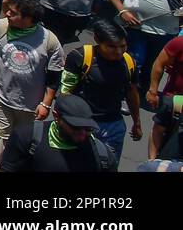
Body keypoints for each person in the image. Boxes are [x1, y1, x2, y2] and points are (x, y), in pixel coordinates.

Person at [0, 0, 63, 171]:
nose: (7, 14)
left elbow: (54, 76)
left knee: (22, 142)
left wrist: (45, 104)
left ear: (29, 19)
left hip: (30, 106)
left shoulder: (49, 41)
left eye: (13, 13)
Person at [59, 19, 142, 168]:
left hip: (113, 126)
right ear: (97, 40)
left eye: (123, 46)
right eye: (111, 46)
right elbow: (66, 91)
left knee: (108, 165)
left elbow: (132, 93)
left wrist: (137, 123)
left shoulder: (129, 62)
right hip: (82, 125)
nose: (118, 52)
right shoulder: (80, 57)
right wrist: (65, 122)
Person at [0, 94, 116, 173]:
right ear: (56, 116)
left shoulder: (103, 157)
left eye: (87, 129)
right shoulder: (26, 137)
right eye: (74, 127)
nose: (82, 134)